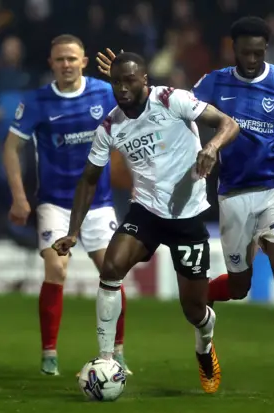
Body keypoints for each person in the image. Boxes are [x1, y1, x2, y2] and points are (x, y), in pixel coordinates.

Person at [95, 17, 274, 396]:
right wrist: (126, 79)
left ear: (267, 50)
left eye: (259, 52)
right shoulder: (213, 83)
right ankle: (199, 298)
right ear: (233, 49)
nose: (252, 59)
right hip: (233, 195)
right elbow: (167, 100)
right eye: (245, 52)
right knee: (240, 286)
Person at [53, 52, 240, 394]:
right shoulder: (110, 125)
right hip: (146, 212)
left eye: (128, 81)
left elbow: (230, 124)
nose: (121, 89)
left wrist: (212, 146)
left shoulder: (172, 100)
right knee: (111, 268)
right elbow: (89, 179)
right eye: (116, 83)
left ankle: (204, 346)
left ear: (145, 82)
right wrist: (73, 231)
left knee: (194, 309)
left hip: (186, 217)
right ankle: (107, 360)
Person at [2, 34, 132, 377]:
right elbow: (10, 148)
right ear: (51, 63)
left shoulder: (104, 93)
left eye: (72, 58)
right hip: (55, 203)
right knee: (57, 269)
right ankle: (49, 354)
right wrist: (19, 196)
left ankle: (117, 352)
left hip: (98, 202)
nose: (66, 65)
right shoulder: (36, 102)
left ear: (84, 61)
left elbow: (145, 110)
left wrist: (126, 74)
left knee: (113, 272)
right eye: (60, 59)